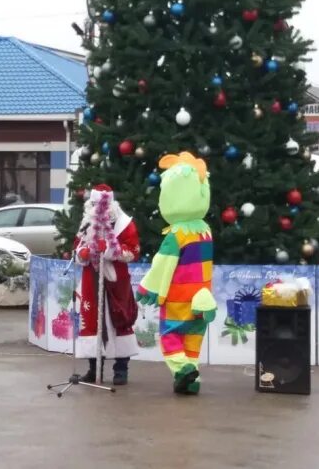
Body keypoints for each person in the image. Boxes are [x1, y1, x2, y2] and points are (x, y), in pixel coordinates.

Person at [137, 152, 217, 395]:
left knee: (171, 338)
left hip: (179, 299)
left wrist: (147, 288)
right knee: (193, 341)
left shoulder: (176, 235)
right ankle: (192, 380)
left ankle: (182, 370)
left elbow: (163, 264)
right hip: (202, 298)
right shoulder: (205, 231)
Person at [74, 184, 140, 385]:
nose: (98, 209)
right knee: (92, 321)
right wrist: (82, 254)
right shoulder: (86, 223)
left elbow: (133, 252)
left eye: (101, 204)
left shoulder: (124, 224)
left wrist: (112, 250)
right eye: (94, 205)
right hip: (91, 281)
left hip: (116, 282)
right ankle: (94, 369)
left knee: (120, 319)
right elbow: (77, 247)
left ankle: (121, 369)